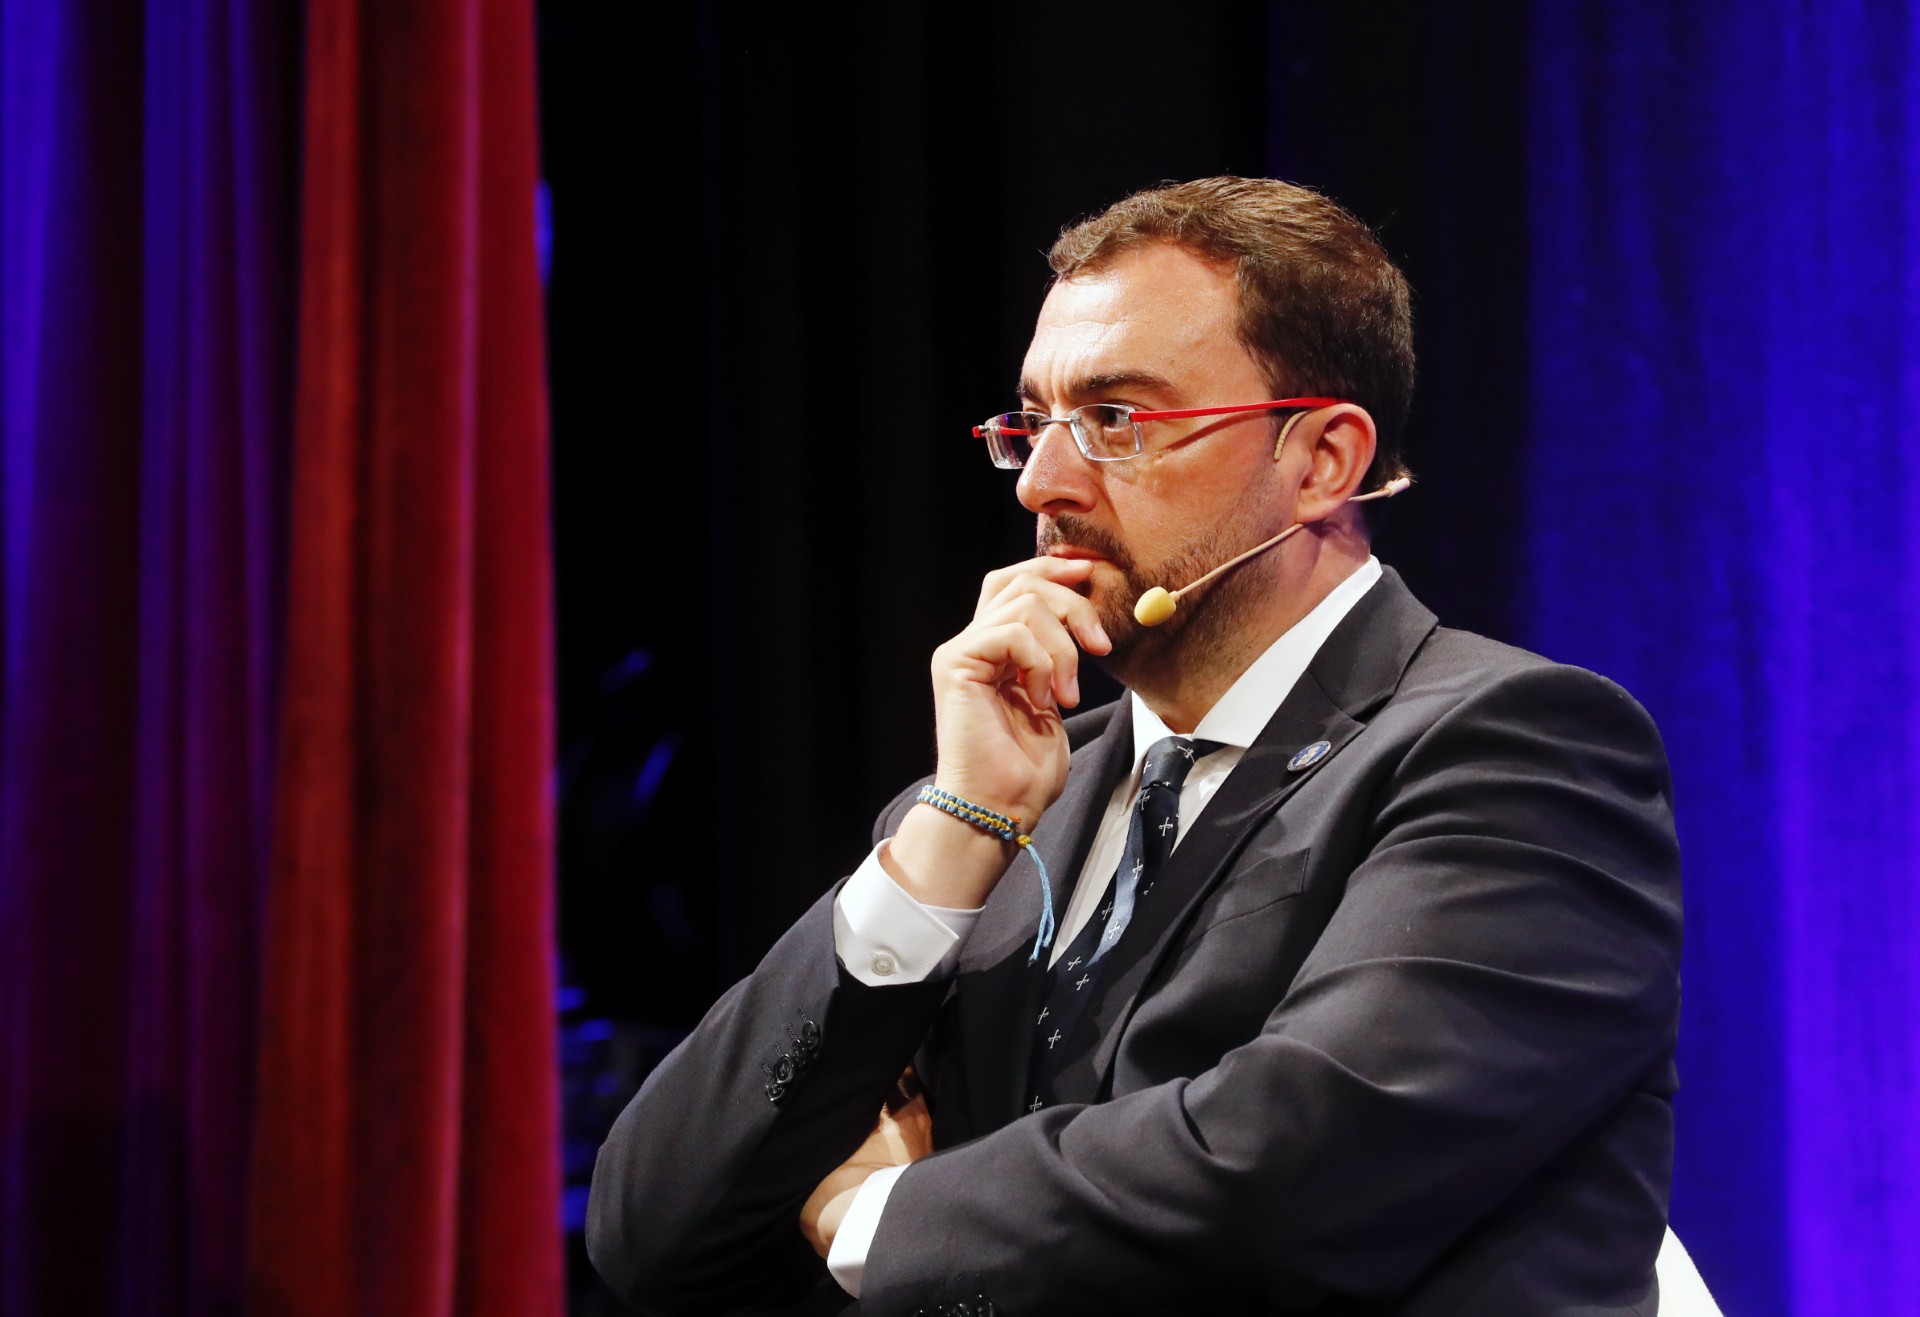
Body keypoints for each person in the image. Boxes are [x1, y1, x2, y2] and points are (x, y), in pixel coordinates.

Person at [587, 177, 1684, 1315]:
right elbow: (654, 1225)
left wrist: (875, 1216)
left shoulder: (1513, 749)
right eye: (1034, 424)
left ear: (1322, 460)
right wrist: (951, 835)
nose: (1044, 484)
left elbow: (1293, 1171)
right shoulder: (1001, 804)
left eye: (1118, 420)